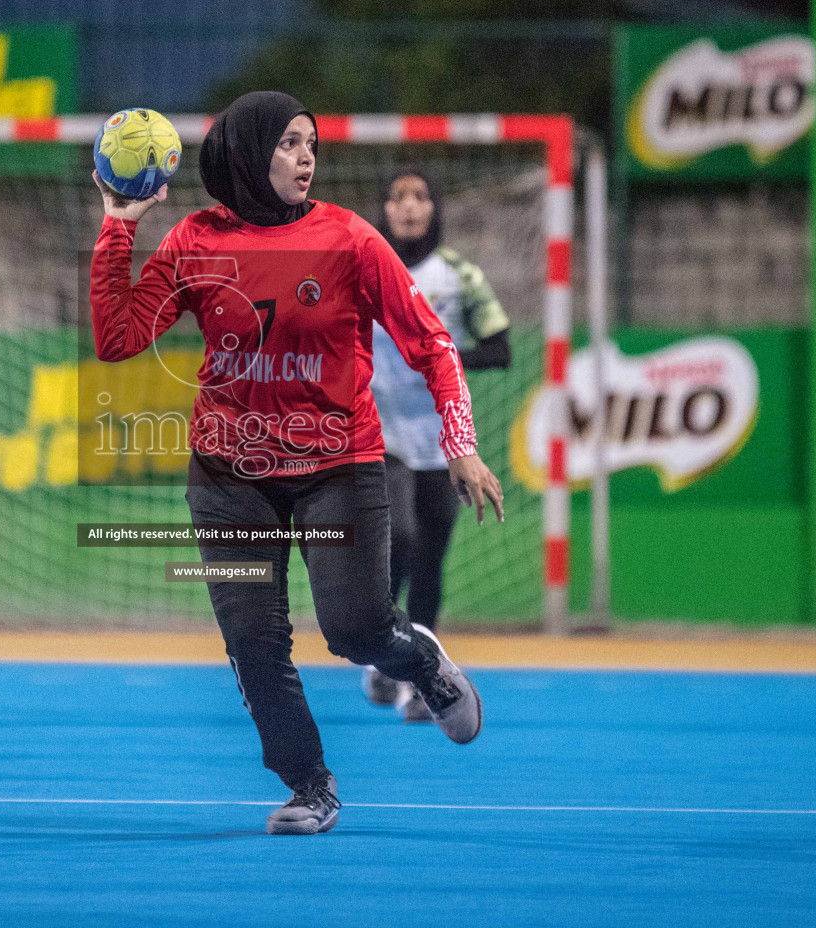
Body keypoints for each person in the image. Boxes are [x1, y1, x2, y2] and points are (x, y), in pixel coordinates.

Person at [90, 91, 503, 835]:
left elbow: (433, 343)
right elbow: (118, 337)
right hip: (228, 473)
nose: (306, 156)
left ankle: (422, 663)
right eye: (287, 143)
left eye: (310, 142)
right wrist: (119, 229)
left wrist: (461, 446)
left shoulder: (349, 238)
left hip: (337, 466)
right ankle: (311, 786)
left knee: (354, 630)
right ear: (249, 152)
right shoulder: (193, 239)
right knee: (253, 640)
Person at [361, 170, 512, 722]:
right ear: (383, 208)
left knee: (431, 557)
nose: (408, 206)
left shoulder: (459, 275)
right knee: (398, 535)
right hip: (377, 431)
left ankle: (413, 677)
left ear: (435, 208)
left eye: (420, 196)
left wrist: (439, 358)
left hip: (445, 439)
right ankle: (384, 648)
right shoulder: (363, 268)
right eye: (396, 196)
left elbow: (500, 349)